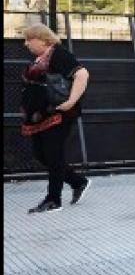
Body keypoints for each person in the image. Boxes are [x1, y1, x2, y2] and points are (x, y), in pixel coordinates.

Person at [20, 24, 91, 213]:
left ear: (43, 40)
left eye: (29, 39)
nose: (26, 43)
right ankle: (78, 182)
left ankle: (53, 200)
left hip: (57, 115)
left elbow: (82, 74)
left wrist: (71, 101)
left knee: (53, 156)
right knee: (41, 155)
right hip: (39, 116)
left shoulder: (59, 54)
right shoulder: (41, 57)